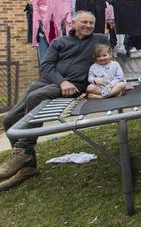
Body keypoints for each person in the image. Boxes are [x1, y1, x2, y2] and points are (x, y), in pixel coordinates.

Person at [0, 11, 108, 191]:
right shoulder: (59, 42)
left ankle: (23, 150)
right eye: (84, 22)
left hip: (75, 84)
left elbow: (107, 61)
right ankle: (28, 167)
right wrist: (61, 81)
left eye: (91, 23)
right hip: (50, 82)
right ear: (73, 23)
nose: (88, 26)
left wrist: (112, 83)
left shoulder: (100, 39)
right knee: (9, 119)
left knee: (36, 97)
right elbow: (46, 67)